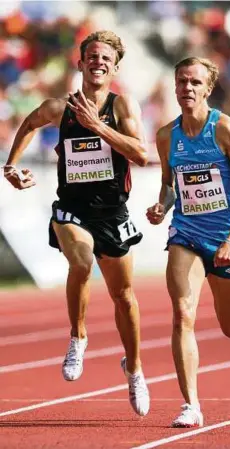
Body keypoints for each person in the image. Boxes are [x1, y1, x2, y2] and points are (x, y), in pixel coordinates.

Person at [3, 30, 150, 417]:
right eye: (92, 56)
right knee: (81, 263)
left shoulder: (122, 106)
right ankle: (78, 337)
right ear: (81, 63)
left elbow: (142, 155)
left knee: (124, 297)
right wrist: (11, 166)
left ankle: (134, 368)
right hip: (71, 208)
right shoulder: (60, 107)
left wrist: (99, 126)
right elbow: (30, 123)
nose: (98, 62)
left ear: (114, 67)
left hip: (113, 213)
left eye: (106, 58)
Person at [147, 57, 230, 427]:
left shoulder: (226, 130)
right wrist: (161, 207)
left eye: (195, 83)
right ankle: (191, 405)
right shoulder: (167, 135)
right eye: (181, 81)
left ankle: (227, 273)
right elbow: (169, 184)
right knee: (183, 313)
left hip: (226, 240)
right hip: (187, 234)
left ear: (208, 88)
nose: (187, 89)